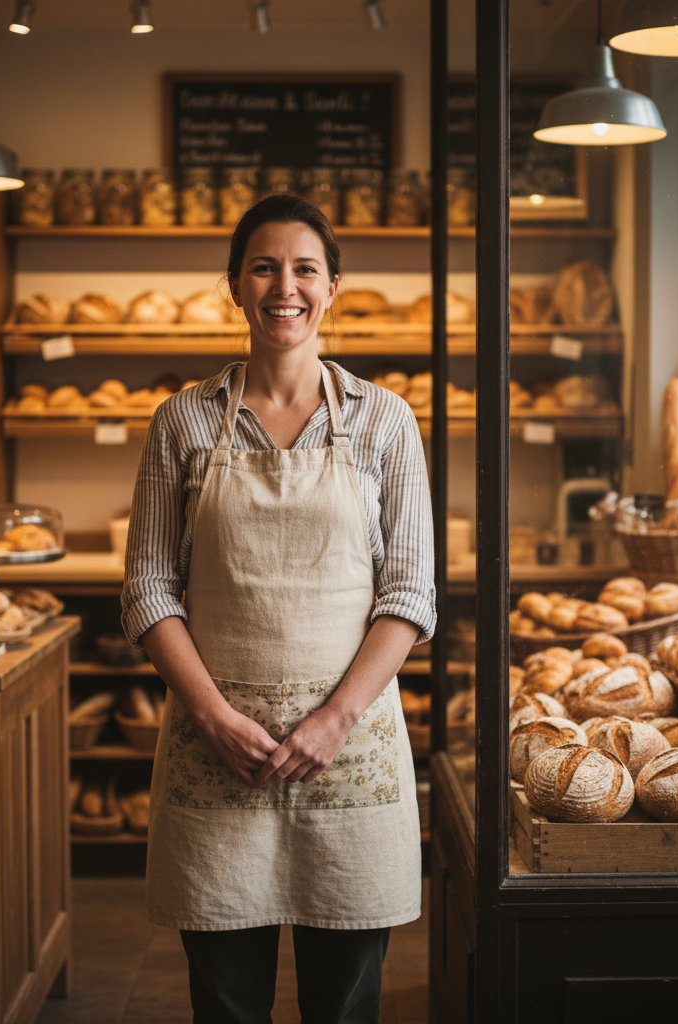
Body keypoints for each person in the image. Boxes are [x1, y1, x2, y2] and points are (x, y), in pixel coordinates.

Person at [121, 193, 435, 1024]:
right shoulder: (182, 421)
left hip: (350, 757)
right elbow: (148, 587)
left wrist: (336, 718)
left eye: (304, 269)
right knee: (226, 1005)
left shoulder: (386, 422)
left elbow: (409, 592)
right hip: (216, 757)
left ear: (334, 287)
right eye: (263, 266)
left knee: (344, 1005)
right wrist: (215, 716)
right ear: (234, 285)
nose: (283, 286)